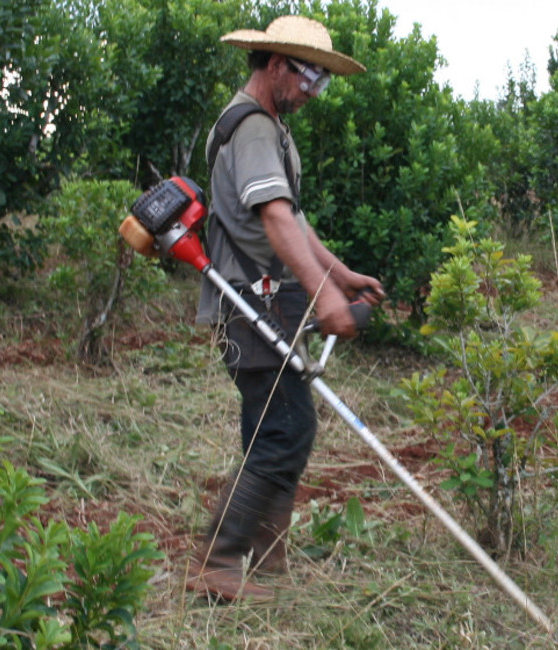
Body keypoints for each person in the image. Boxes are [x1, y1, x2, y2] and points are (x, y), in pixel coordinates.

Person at [187, 14, 385, 601]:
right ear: (275, 65)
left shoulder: (268, 128)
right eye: (308, 77)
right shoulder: (251, 130)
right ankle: (217, 563)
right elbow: (273, 219)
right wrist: (326, 300)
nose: (313, 91)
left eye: (321, 81)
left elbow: (292, 219)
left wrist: (339, 275)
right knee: (287, 430)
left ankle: (267, 562)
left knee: (271, 430)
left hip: (263, 302)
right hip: (250, 305)